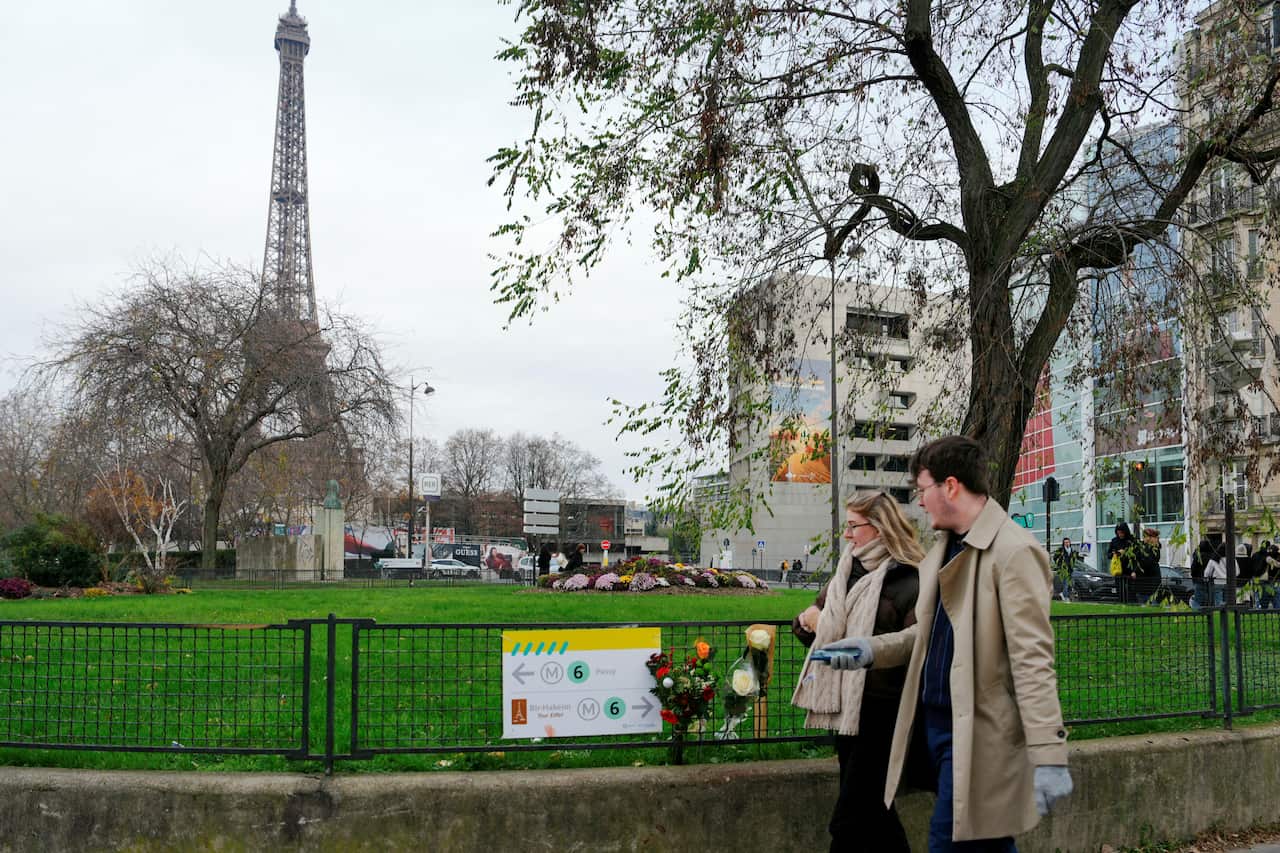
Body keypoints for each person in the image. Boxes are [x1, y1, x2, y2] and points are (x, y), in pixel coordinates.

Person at [820, 435, 1072, 850]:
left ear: (950, 486)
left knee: (951, 841)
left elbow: (1033, 662)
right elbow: (929, 634)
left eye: (922, 490)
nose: (919, 501)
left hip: (976, 735)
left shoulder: (1012, 552)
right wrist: (870, 651)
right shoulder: (945, 550)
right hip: (934, 728)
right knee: (984, 844)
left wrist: (1048, 754)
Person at [791, 491, 927, 853]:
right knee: (877, 813)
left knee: (849, 819)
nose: (847, 536)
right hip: (847, 709)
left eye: (854, 526)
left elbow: (914, 647)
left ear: (880, 528)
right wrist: (808, 624)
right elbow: (814, 626)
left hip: (884, 709)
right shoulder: (846, 572)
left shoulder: (909, 579)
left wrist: (830, 628)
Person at [1107, 523, 1138, 604]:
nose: (1120, 534)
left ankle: (1131, 605)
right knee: (1120, 590)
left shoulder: (1131, 540)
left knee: (1130, 591)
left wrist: (1134, 571)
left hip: (1129, 571)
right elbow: (1108, 555)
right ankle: (1121, 604)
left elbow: (1136, 557)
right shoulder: (1114, 541)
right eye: (1118, 532)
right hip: (1118, 570)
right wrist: (1116, 553)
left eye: (1122, 532)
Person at [1135, 529, 1161, 604]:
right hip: (1141, 582)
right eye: (1145, 536)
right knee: (1142, 606)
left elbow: (1154, 560)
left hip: (1152, 581)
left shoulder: (1155, 547)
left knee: (1153, 605)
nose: (1147, 538)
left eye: (1149, 536)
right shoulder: (1139, 546)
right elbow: (1137, 560)